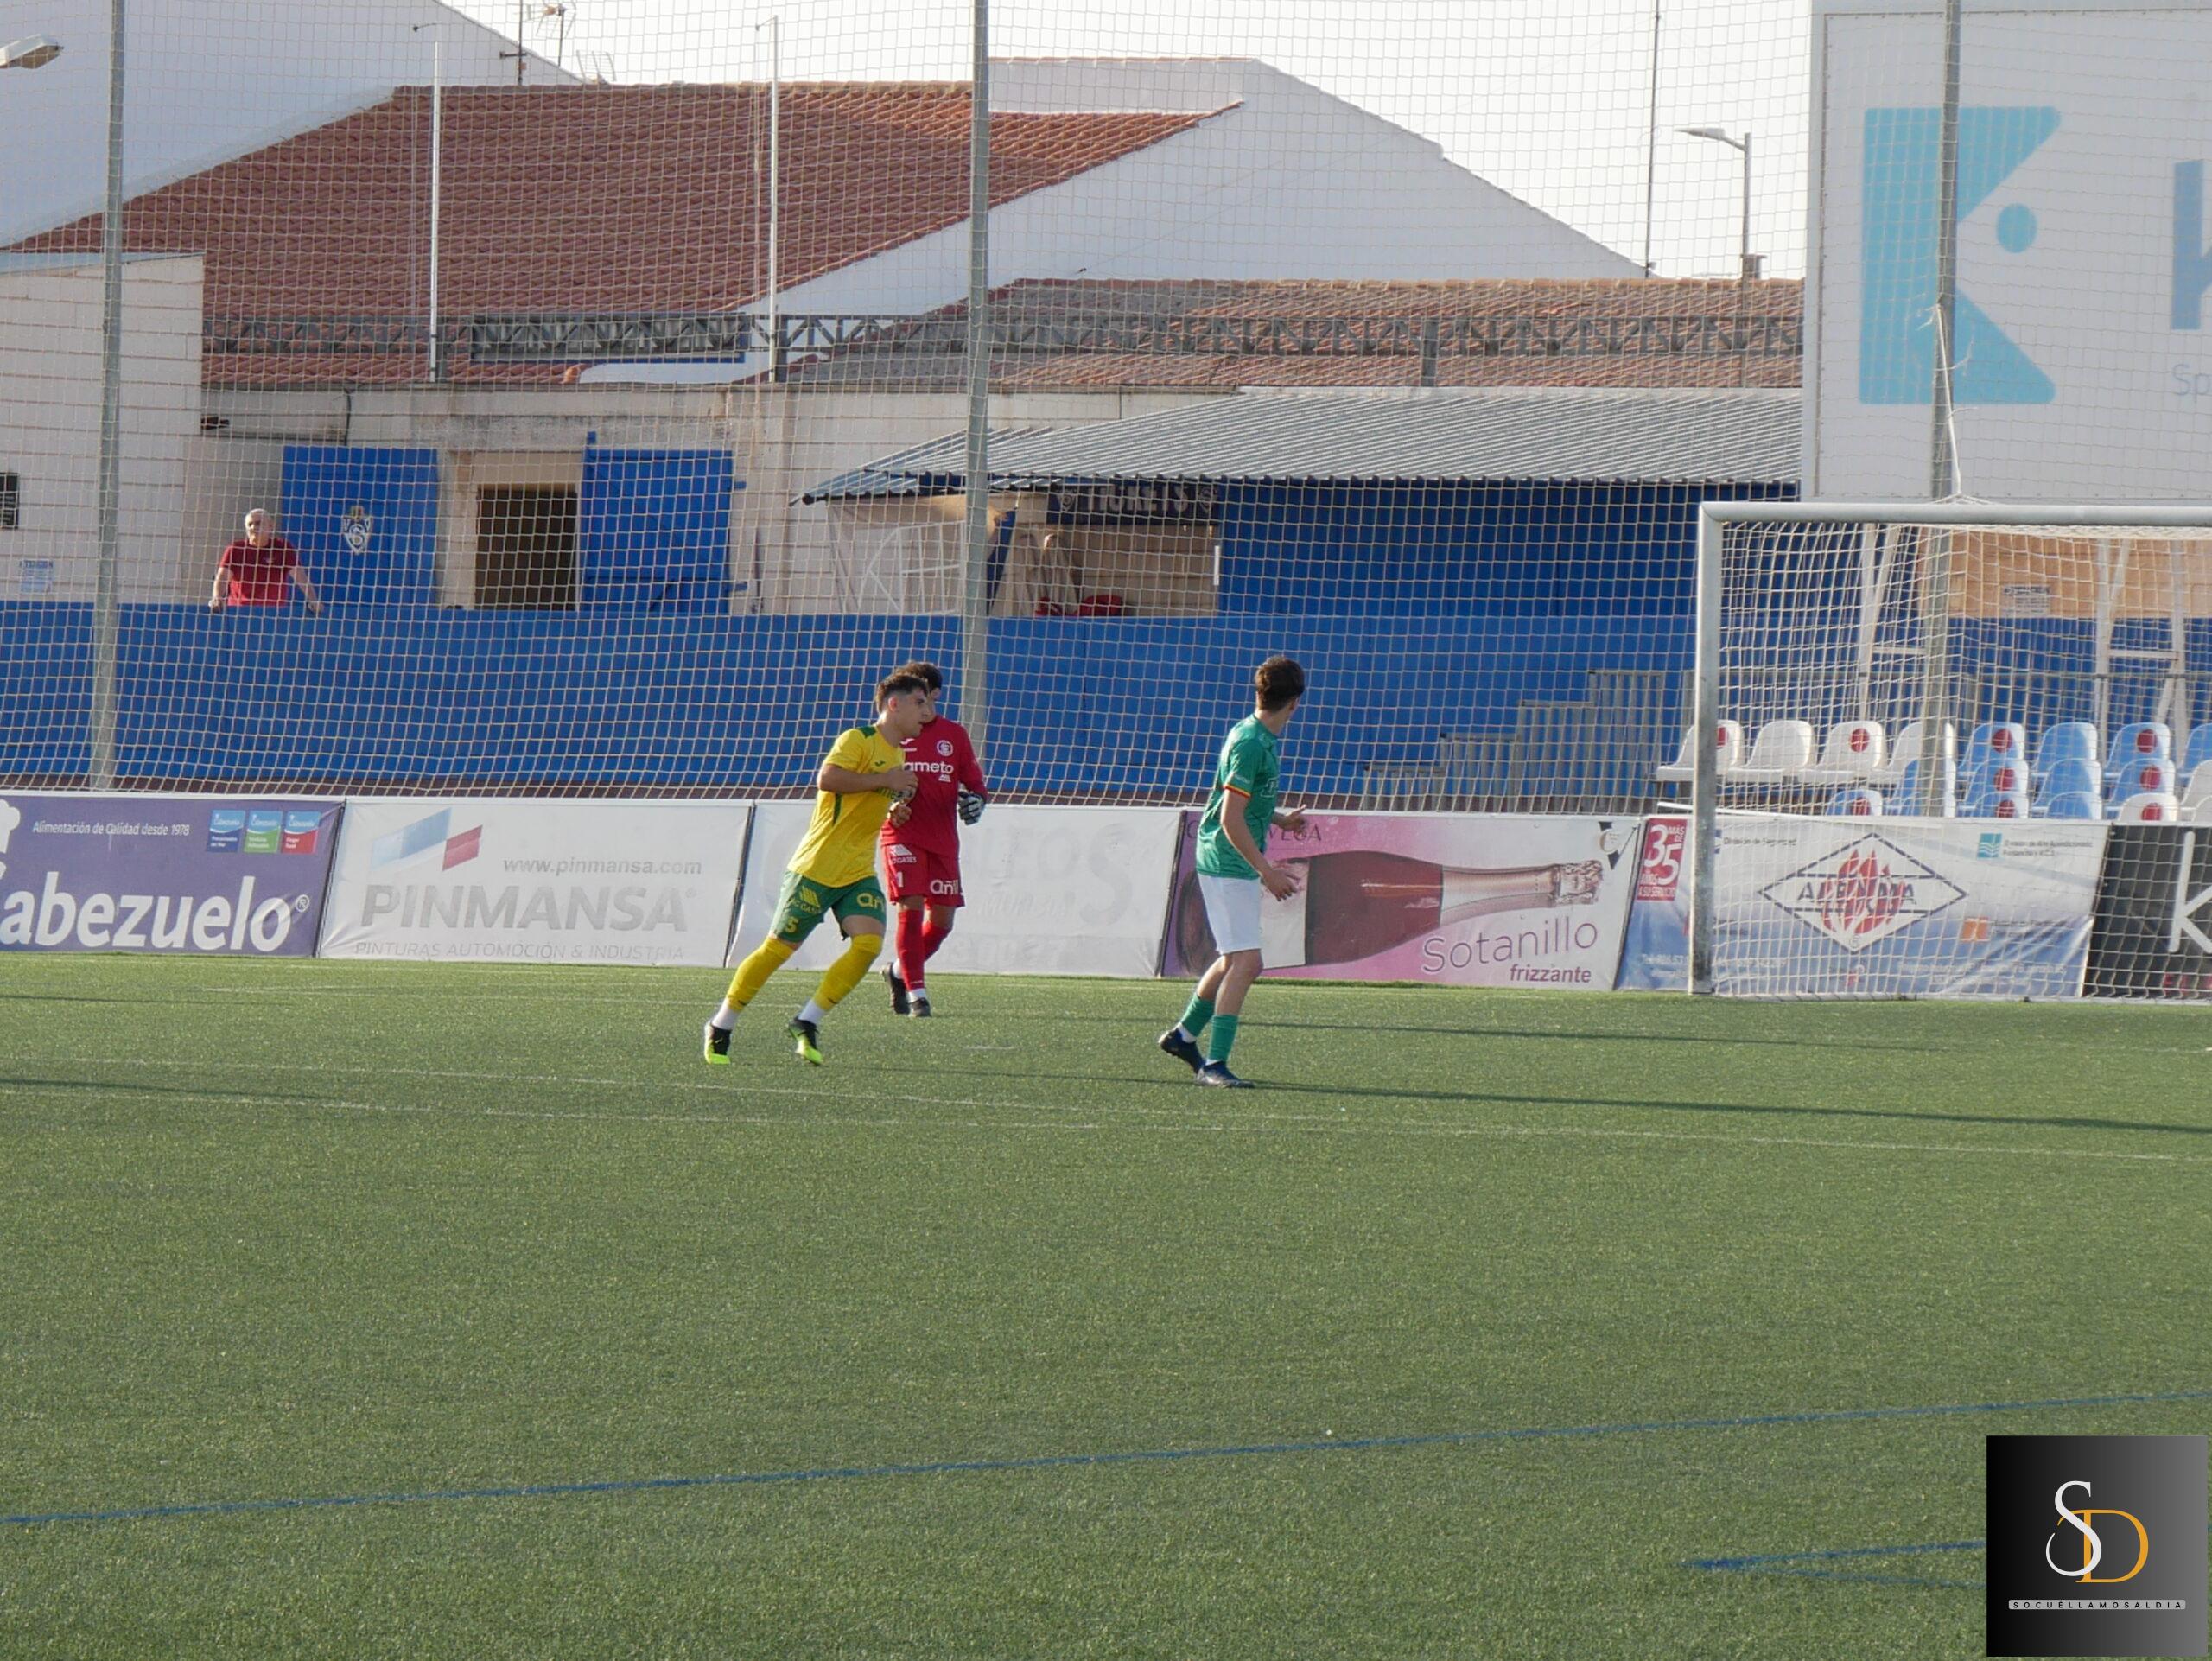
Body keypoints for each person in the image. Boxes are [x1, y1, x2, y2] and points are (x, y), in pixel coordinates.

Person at [703, 670, 928, 1066]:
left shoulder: (897, 756)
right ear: (893, 705)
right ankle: (722, 1023)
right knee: (778, 949)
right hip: (816, 867)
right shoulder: (858, 739)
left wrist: (893, 811)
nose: (928, 713)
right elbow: (828, 779)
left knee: (869, 944)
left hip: (857, 871)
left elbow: (866, 802)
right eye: (919, 703)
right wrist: (886, 780)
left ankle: (807, 1021)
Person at [1158, 656, 1308, 1088]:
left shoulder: (1254, 735)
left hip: (1229, 859)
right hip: (1228, 861)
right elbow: (1229, 818)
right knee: (1247, 961)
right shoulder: (1251, 744)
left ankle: (1183, 1037)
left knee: (1232, 958)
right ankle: (1214, 1064)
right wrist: (1267, 871)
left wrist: (1278, 819)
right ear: (1295, 703)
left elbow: (1242, 802)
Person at [878, 660, 988, 1019]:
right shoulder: (889, 735)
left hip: (942, 838)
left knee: (941, 923)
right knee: (909, 910)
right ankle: (918, 994)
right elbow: (873, 782)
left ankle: (898, 972)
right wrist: (889, 806)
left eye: (923, 697)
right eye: (912, 698)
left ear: (934, 694)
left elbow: (975, 784)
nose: (919, 705)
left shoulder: (953, 735)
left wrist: (977, 802)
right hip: (902, 834)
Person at [209, 509, 322, 614]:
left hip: (273, 614)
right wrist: (217, 598)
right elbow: (222, 577)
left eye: (258, 523)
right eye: (250, 524)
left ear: (270, 526)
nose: (253, 527)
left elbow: (300, 577)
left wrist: (313, 600)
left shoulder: (282, 548)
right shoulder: (235, 549)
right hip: (240, 612)